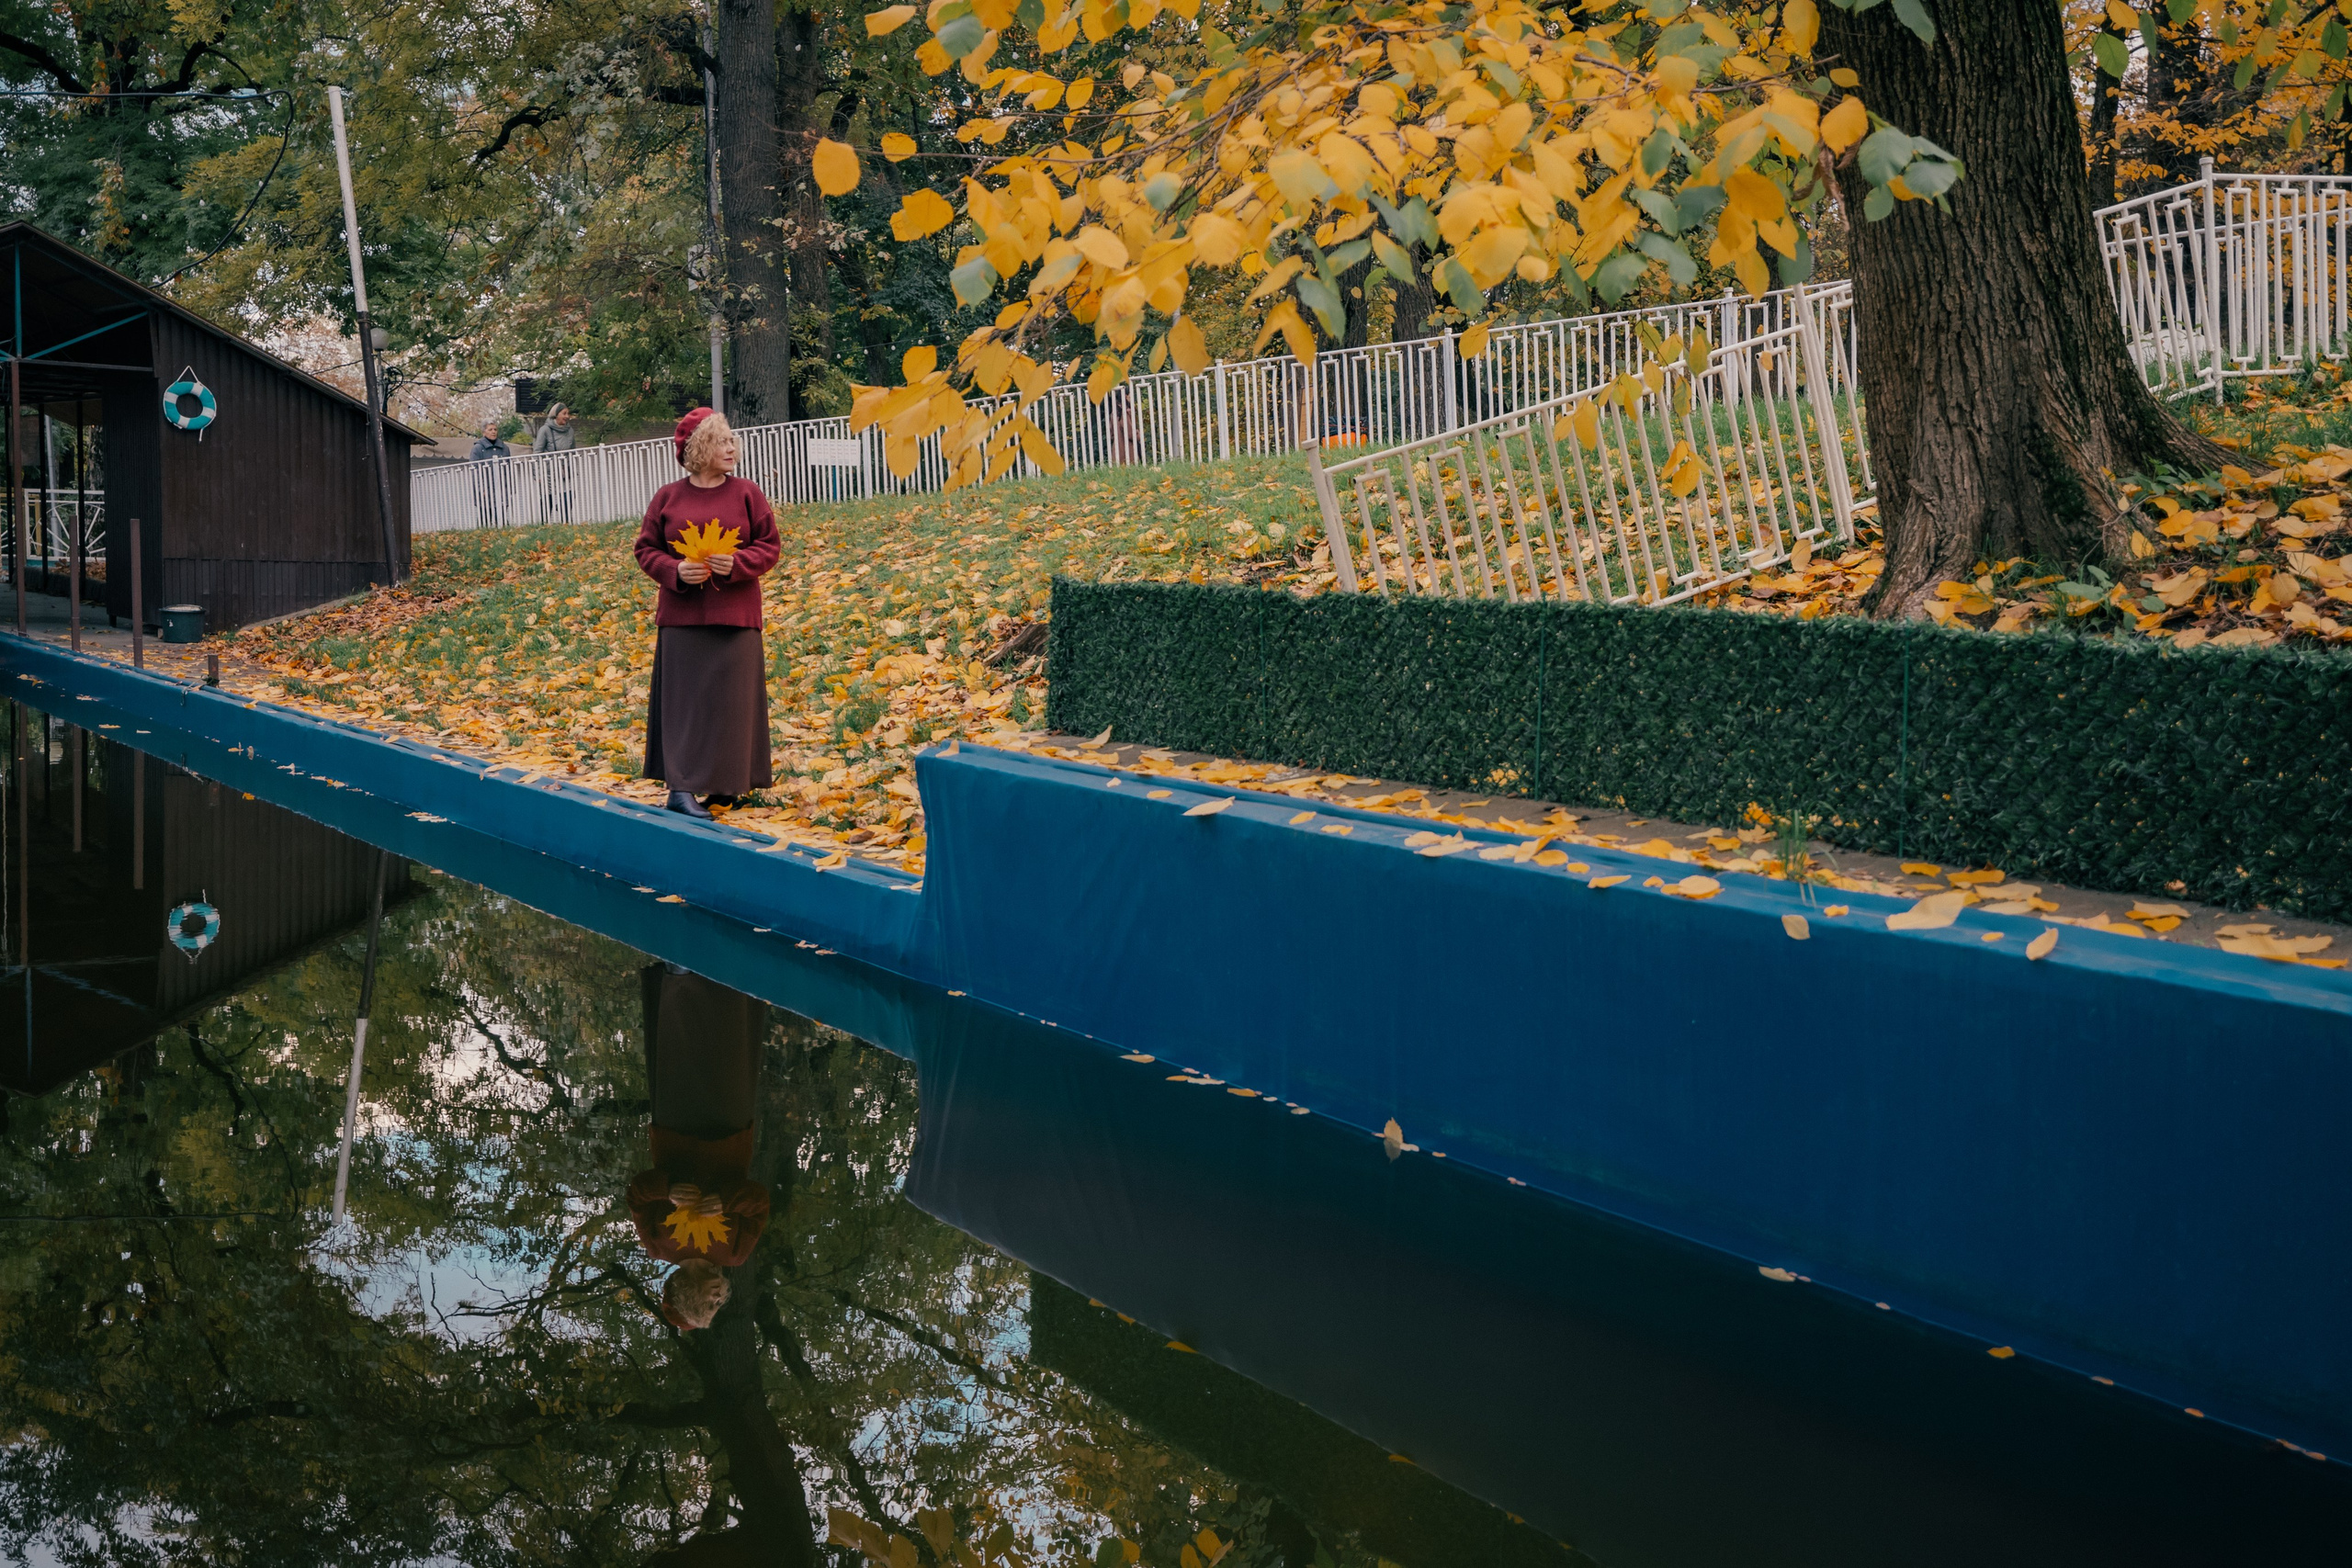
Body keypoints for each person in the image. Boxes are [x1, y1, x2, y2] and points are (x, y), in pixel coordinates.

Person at [633, 408, 779, 819]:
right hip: (681, 619)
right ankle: (680, 789)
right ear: (697, 448)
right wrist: (674, 570)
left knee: (733, 705)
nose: (732, 447)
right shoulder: (668, 497)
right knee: (684, 707)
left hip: (736, 616)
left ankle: (726, 785)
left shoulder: (748, 493)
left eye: (732, 440)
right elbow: (646, 549)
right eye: (722, 441)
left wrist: (739, 564)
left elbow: (769, 546)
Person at [627, 963, 770, 1310]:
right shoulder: (735, 1254)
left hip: (676, 1129)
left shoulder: (658, 1247)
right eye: (719, 1306)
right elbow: (760, 1203)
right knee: (731, 1046)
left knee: (681, 1049)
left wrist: (668, 1188)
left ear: (686, 1296)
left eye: (710, 1306)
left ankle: (682, 972)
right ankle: (739, 968)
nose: (720, 1300)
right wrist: (727, 1201)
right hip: (730, 1134)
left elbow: (636, 1195)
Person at [535, 403, 578, 525]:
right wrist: (537, 474)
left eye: (568, 413)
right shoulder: (545, 430)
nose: (567, 416)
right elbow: (537, 452)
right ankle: (544, 524)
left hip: (564, 472)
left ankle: (565, 522)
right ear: (555, 415)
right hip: (548, 472)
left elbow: (572, 451)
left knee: (568, 495)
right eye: (564, 413)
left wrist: (569, 467)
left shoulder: (570, 431)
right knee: (548, 499)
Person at [469, 419, 511, 527]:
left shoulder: (504, 448)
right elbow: (474, 470)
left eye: (495, 429)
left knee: (501, 518)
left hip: (501, 488)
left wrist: (509, 487)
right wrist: (481, 488)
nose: (493, 432)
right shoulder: (477, 448)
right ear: (484, 432)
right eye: (490, 429)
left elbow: (508, 469)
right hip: (485, 489)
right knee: (485, 518)